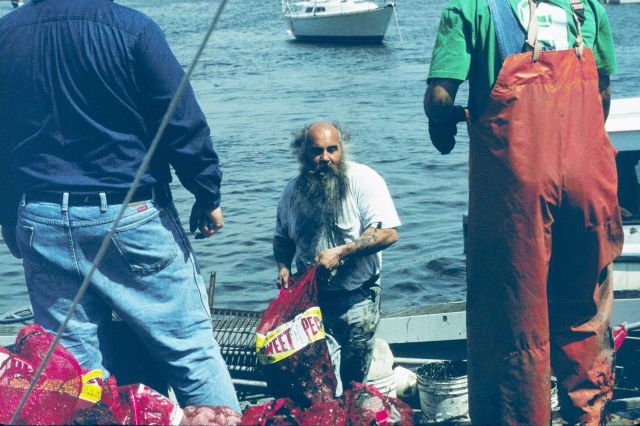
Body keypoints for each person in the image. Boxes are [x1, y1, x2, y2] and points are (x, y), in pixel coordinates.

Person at [0, 0, 240, 411]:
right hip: (129, 215)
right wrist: (206, 191)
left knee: (77, 372)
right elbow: (180, 117)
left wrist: (9, 219)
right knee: (189, 352)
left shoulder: (6, 35)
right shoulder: (132, 28)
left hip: (39, 218)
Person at [423, 0, 623, 424]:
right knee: (585, 307)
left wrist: (446, 124)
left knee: (514, 316)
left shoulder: (470, 10)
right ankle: (590, 414)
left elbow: (441, 99)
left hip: (518, 190)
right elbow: (601, 93)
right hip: (589, 181)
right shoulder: (586, 9)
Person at [273, 121, 401, 388]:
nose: (326, 158)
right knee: (320, 382)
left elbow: (388, 233)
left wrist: (343, 252)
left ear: (342, 149)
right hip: (312, 303)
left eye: (332, 150)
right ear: (303, 154)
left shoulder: (364, 180)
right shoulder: (291, 192)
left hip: (358, 300)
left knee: (355, 382)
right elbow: (282, 238)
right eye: (317, 151)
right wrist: (283, 266)